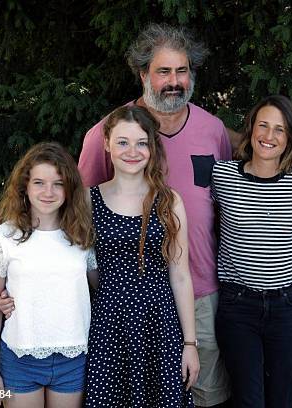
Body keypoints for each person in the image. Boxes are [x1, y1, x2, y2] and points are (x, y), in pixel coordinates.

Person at [78, 24, 231, 407]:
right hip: (122, 303)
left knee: (204, 394)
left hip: (200, 292)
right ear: (144, 74)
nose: (174, 81)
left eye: (182, 71)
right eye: (163, 72)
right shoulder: (107, 134)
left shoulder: (213, 130)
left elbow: (229, 206)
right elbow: (74, 223)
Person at [84, 105, 199, 407]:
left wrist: (190, 344)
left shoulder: (168, 200)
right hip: (110, 324)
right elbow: (75, 266)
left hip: (160, 325)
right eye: (122, 142)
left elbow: (181, 275)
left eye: (141, 143)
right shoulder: (88, 200)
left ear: (152, 147)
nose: (132, 151)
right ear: (107, 144)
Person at [211, 95, 292, 407]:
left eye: (280, 130)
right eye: (263, 126)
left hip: (286, 305)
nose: (269, 136)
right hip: (239, 305)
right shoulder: (223, 176)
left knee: (283, 397)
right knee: (248, 399)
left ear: (290, 138)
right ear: (251, 128)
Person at [0, 142, 95, 408]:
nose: (48, 192)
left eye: (58, 183)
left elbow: (102, 290)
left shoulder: (82, 236)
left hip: (74, 357)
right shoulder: (3, 237)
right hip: (20, 358)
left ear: (69, 189)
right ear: (25, 186)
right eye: (39, 183)